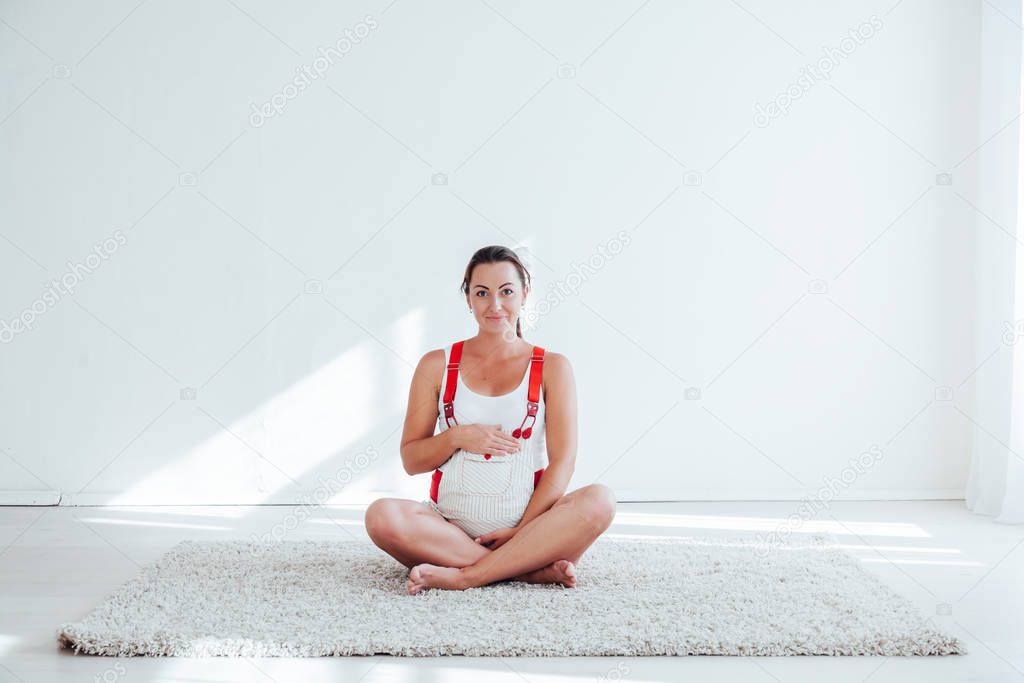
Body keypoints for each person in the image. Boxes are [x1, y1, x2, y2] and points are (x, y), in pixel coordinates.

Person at [363, 245, 616, 595]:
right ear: (468, 298)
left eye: (507, 292)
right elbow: (411, 460)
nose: (495, 305)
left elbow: (564, 463)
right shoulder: (436, 365)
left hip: (533, 531)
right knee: (380, 516)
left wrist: (522, 531)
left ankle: (468, 575)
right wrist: (456, 438)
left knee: (600, 500)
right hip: (448, 533)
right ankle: (526, 570)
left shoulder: (553, 367)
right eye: (481, 293)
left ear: (525, 294)